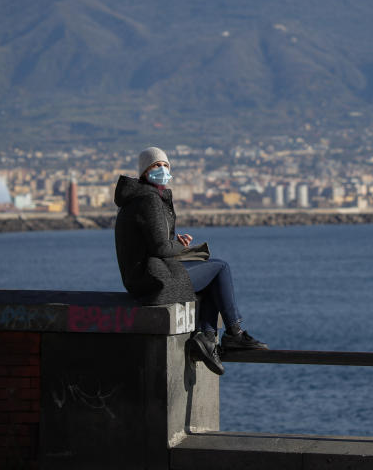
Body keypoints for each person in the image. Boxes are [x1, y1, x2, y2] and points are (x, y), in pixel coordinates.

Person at [114, 146, 267, 375]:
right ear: (144, 171)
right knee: (220, 268)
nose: (163, 169)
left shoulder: (138, 198)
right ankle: (233, 333)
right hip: (152, 280)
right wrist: (180, 246)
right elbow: (161, 248)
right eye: (156, 165)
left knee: (210, 274)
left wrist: (175, 241)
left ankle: (206, 337)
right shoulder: (149, 199)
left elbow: (153, 243)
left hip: (142, 278)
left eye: (166, 165)